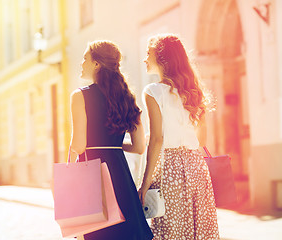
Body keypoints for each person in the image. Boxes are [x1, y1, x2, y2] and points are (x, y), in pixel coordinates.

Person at [70, 40, 153, 240]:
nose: (81, 63)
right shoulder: (127, 97)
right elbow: (139, 147)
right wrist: (114, 146)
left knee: (98, 233)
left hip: (92, 174)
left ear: (97, 64)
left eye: (85, 59)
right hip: (120, 176)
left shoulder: (80, 96)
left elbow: (79, 146)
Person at [138, 34, 219, 239]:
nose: (145, 59)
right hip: (197, 167)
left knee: (172, 232)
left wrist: (145, 183)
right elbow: (201, 141)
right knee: (199, 230)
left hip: (171, 169)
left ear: (162, 59)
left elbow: (157, 140)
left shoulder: (153, 91)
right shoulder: (193, 91)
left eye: (148, 54)